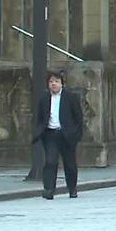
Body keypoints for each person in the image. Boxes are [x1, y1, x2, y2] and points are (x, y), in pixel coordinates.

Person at [32, 70, 83, 200]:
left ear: (62, 83)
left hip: (66, 135)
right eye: (51, 82)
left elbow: (78, 117)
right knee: (50, 161)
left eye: (56, 81)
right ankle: (49, 189)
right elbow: (39, 117)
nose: (53, 84)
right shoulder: (44, 98)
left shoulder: (70, 97)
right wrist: (39, 131)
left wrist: (75, 134)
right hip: (50, 134)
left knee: (70, 163)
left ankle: (72, 188)